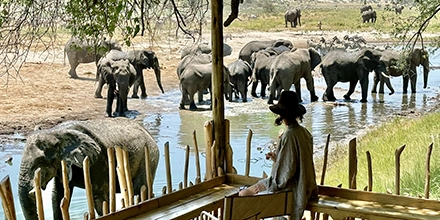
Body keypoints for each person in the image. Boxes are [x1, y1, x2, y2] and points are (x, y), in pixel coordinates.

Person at [238, 90, 318, 220]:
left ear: (282, 115)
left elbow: (284, 175)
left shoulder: (289, 135)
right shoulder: (304, 132)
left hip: (293, 187)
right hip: (306, 184)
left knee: (243, 194)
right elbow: (295, 161)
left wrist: (267, 186)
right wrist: (277, 158)